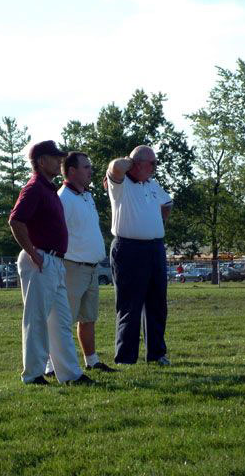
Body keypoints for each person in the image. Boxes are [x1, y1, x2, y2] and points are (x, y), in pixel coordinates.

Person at [8, 140, 93, 385]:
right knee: (37, 320)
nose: (59, 162)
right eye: (55, 158)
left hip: (53, 261)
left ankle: (70, 374)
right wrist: (32, 252)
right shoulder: (34, 188)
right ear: (42, 161)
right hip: (41, 259)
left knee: (61, 322)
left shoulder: (48, 189)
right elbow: (15, 221)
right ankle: (33, 375)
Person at [45, 152, 115, 376]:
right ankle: (51, 365)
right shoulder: (63, 198)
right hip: (72, 267)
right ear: (72, 171)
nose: (90, 171)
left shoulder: (86, 196)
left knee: (88, 318)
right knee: (62, 320)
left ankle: (91, 360)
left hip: (91, 267)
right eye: (86, 167)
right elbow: (55, 233)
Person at [106, 145, 173, 366]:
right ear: (137, 163)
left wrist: (158, 222)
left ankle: (156, 353)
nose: (155, 167)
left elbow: (167, 203)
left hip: (155, 248)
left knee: (157, 304)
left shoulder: (152, 184)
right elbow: (115, 167)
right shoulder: (121, 184)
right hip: (129, 248)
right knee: (130, 305)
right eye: (151, 163)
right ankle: (126, 358)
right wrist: (130, 160)